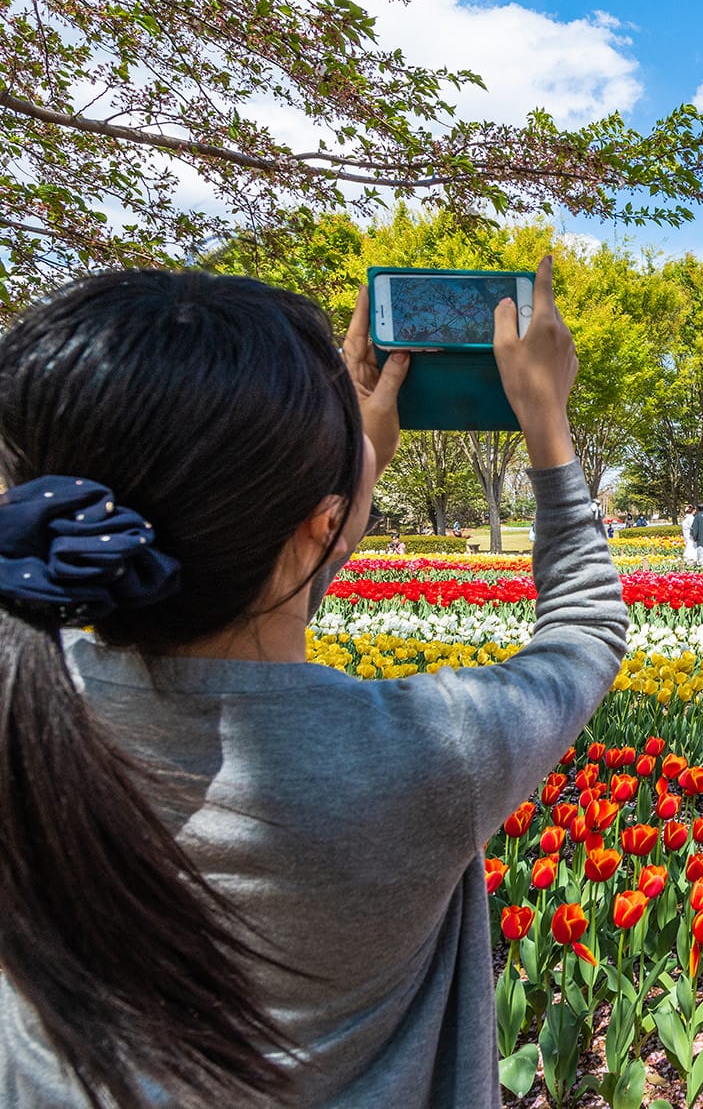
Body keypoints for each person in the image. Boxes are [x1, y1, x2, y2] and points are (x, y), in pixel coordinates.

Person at [0, 261, 630, 1107]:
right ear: (326, 524)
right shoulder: (425, 758)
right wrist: (547, 424)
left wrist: (336, 484)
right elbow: (587, 627)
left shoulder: (25, 700)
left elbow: (222, 598)